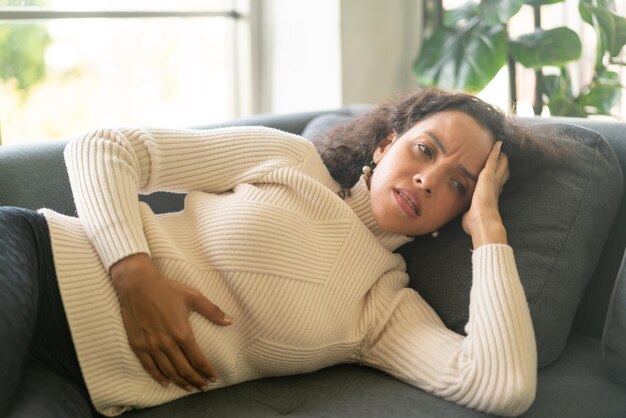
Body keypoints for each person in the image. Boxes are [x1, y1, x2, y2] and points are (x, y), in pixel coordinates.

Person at [1, 88, 542, 418]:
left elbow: (501, 383)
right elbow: (102, 147)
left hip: (89, 387)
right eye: (425, 150)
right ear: (385, 145)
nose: (427, 179)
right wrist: (134, 275)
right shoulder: (289, 160)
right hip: (36, 259)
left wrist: (488, 229)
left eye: (459, 185)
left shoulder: (384, 308)